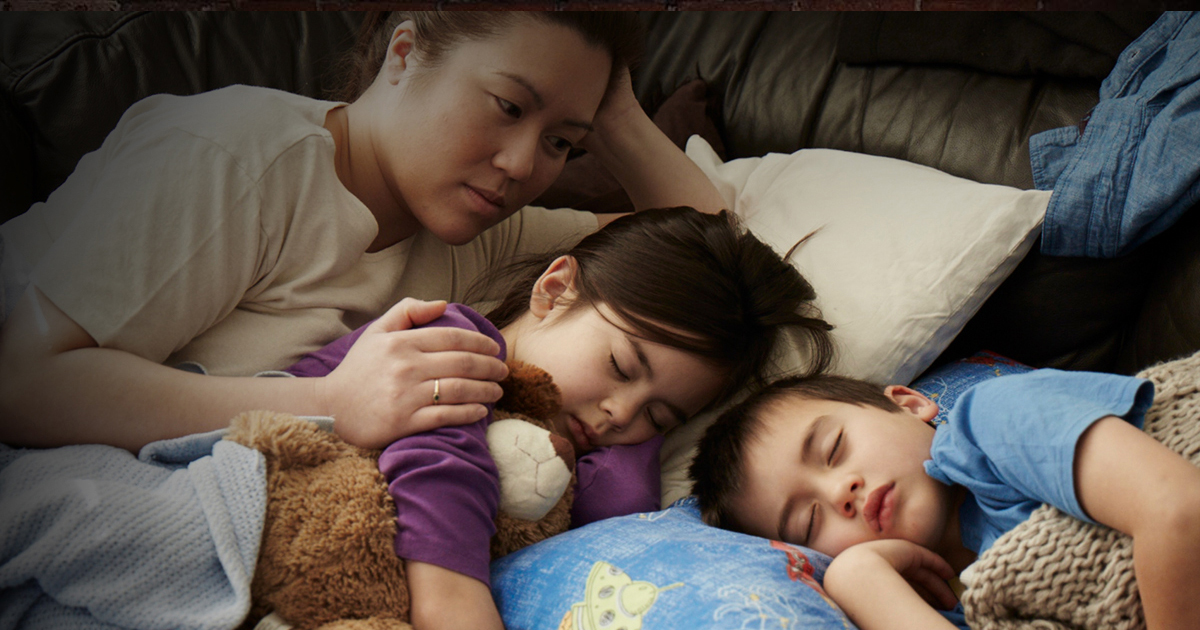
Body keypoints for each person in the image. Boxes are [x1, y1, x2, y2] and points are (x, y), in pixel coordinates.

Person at [0, 12, 726, 453]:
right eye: (508, 106)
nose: (521, 165)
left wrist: (614, 108)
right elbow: (22, 384)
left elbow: (706, 251)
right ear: (403, 54)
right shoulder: (235, 154)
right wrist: (333, 404)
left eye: (562, 142)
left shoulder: (484, 234)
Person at [284, 206, 833, 630]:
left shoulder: (573, 456)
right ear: (554, 290)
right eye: (620, 365)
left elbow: (619, 510)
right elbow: (441, 464)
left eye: (659, 415)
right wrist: (454, 599)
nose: (621, 414)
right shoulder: (450, 341)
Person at [689, 370, 1200, 630]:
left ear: (910, 404)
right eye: (809, 520)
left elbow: (1179, 508)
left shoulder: (992, 423)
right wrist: (858, 582)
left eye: (834, 448)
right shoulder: (949, 604)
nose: (840, 492)